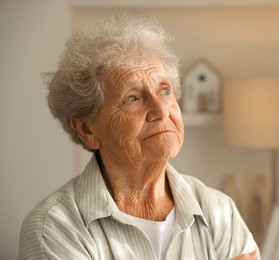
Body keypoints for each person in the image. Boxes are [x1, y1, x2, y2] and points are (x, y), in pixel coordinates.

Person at [19, 12, 260, 260]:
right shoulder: (55, 228)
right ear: (87, 129)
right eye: (132, 98)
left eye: (164, 90)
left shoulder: (219, 210)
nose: (161, 109)